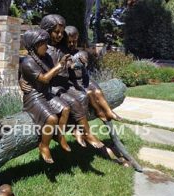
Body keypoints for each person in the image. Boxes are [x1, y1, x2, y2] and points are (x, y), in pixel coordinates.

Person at [40, 14, 105, 149]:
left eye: (61, 33)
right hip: (52, 87)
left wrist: (76, 65)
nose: (59, 35)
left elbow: (69, 64)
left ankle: (81, 131)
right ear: (46, 31)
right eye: (56, 32)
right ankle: (82, 133)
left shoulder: (62, 48)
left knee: (82, 96)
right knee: (74, 102)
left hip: (64, 85)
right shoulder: (44, 50)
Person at [20, 28, 71, 164]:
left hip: (46, 93)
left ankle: (59, 135)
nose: (47, 46)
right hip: (34, 96)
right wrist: (58, 66)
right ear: (34, 45)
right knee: (52, 118)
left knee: (65, 109)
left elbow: (55, 73)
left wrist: (64, 63)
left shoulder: (46, 58)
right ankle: (44, 145)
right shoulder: (28, 62)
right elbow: (44, 79)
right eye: (43, 43)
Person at [64, 25, 122, 122]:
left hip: (85, 79)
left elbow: (85, 63)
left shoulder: (81, 52)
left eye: (74, 41)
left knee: (98, 92)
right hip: (73, 82)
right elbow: (68, 65)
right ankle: (99, 111)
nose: (72, 44)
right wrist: (75, 65)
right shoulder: (63, 54)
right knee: (89, 93)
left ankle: (109, 111)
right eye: (69, 42)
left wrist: (83, 63)